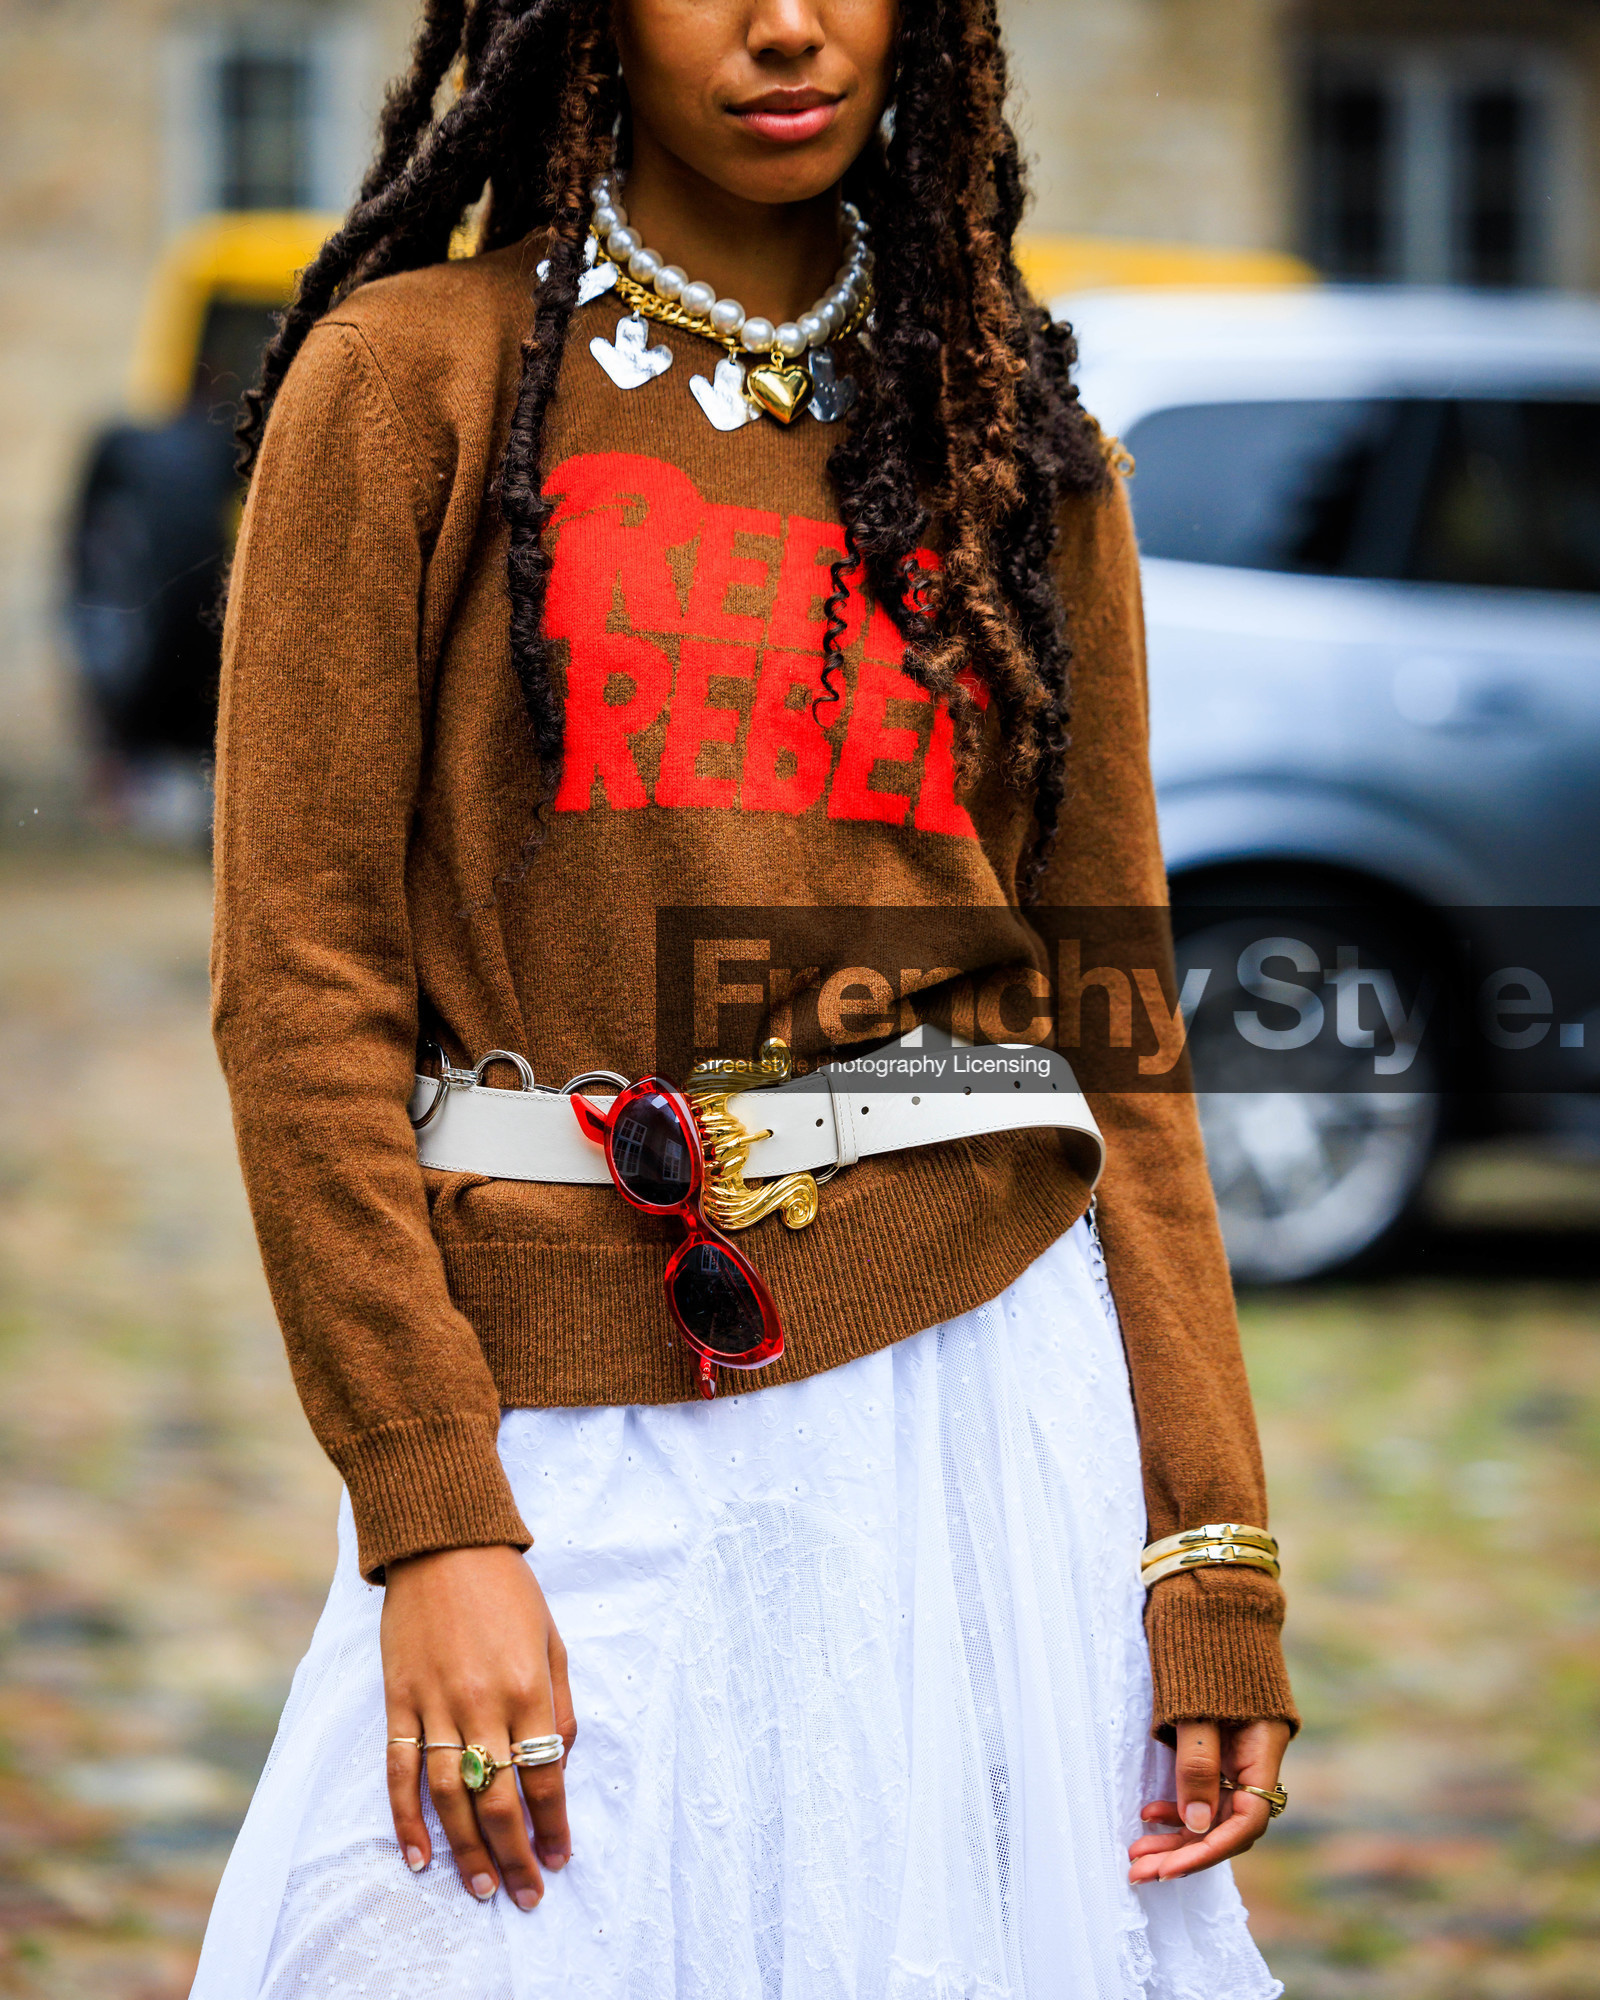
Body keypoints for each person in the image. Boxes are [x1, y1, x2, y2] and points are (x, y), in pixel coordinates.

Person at [192, 1, 1297, 1993]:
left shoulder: (1015, 443)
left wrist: (1203, 1554)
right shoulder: (406, 383)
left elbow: (1111, 1031)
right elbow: (302, 989)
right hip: (575, 1388)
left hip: (984, 1399)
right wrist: (433, 1516)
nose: (784, 22)